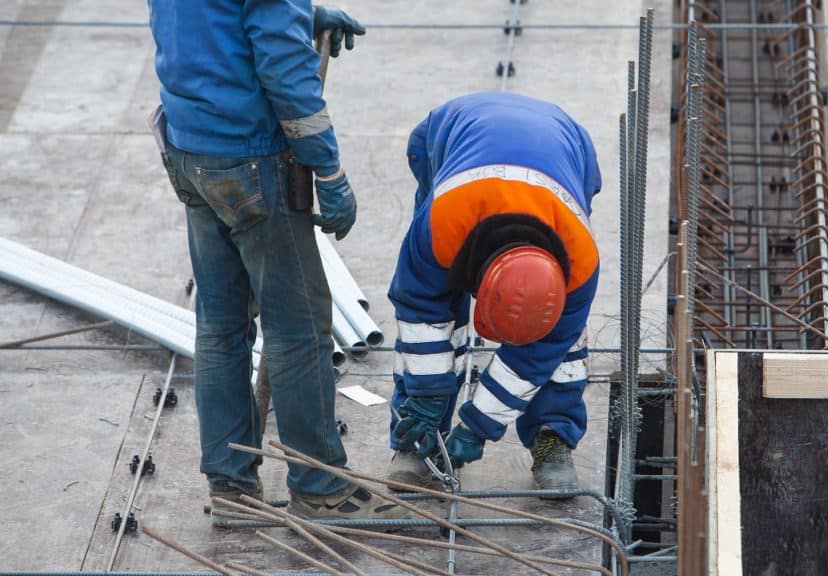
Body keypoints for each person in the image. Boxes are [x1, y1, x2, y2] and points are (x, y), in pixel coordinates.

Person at [148, 0, 404, 520]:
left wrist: (300, 13)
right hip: (250, 159)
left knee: (220, 326)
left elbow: (204, 18)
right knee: (300, 327)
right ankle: (319, 486)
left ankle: (231, 487)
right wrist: (328, 171)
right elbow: (286, 70)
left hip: (189, 147)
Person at [387, 92, 601, 496]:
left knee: (560, 346)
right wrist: (427, 396)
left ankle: (552, 436)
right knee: (431, 320)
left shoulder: (580, 263)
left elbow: (535, 357)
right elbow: (418, 310)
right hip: (449, 134)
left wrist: (479, 424)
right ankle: (417, 431)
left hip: (568, 146)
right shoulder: (442, 224)